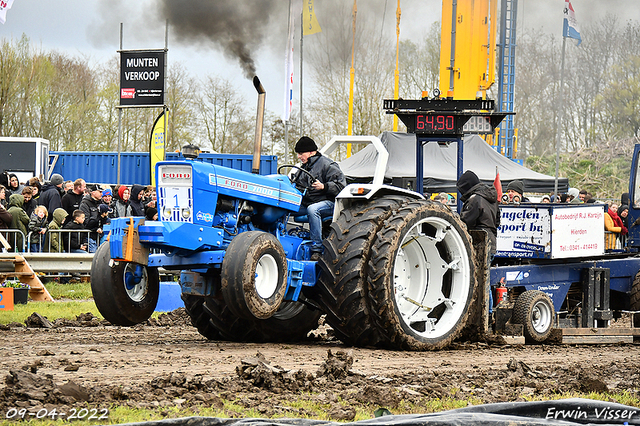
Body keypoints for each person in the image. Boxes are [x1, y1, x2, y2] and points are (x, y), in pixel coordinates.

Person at [292, 136, 346, 256]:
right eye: (298, 154)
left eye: (301, 153)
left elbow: (341, 187)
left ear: (311, 152)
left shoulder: (327, 165)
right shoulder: (303, 168)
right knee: (286, 208)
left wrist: (324, 186)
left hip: (328, 203)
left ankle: (317, 247)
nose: (299, 157)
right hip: (308, 202)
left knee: (313, 210)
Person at [456, 170, 500, 257]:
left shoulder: (475, 199)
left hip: (478, 243)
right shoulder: (492, 198)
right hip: (491, 243)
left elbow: (465, 223)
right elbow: (497, 221)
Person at [80, 184, 104, 253]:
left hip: (99, 236)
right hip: (89, 236)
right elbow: (85, 222)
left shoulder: (101, 203)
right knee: (93, 256)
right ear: (93, 192)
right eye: (100, 192)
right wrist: (95, 228)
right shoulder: (85, 203)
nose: (101, 194)